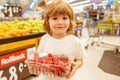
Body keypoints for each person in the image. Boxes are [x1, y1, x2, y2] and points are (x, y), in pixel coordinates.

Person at [37, 0, 86, 80]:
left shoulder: (75, 41)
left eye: (64, 18)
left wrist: (76, 65)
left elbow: (80, 60)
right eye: (54, 18)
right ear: (47, 21)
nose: (60, 22)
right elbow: (39, 57)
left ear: (70, 21)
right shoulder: (45, 39)